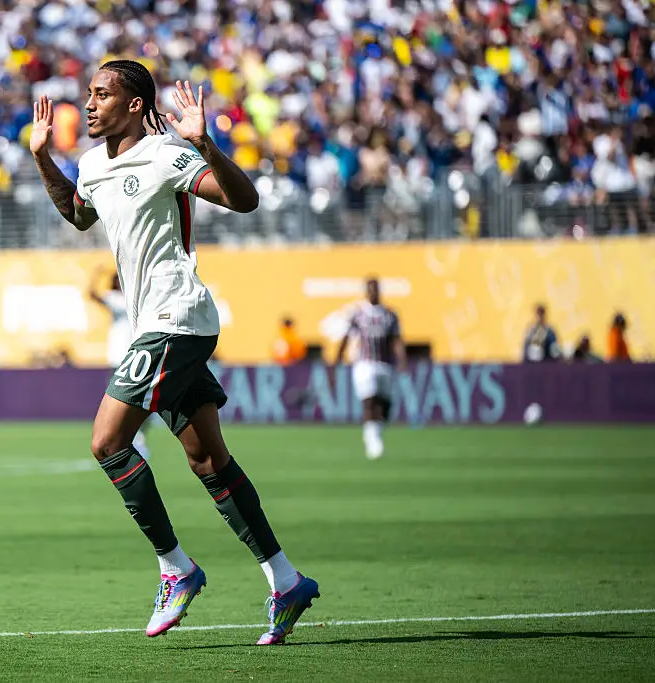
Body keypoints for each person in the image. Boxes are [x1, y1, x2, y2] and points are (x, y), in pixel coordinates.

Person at [30, 61, 318, 646]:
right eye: (88, 94)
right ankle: (285, 581)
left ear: (135, 105)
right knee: (208, 460)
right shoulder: (91, 164)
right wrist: (41, 159)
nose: (88, 104)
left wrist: (205, 143)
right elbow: (79, 214)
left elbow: (246, 201)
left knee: (108, 442)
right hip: (153, 325)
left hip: (177, 318)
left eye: (102, 94)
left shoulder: (166, 154)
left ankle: (176, 569)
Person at [334, 278, 407, 460]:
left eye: (376, 289)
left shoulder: (390, 315)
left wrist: (402, 359)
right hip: (364, 364)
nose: (374, 293)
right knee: (370, 400)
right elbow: (346, 337)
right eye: (371, 290)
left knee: (385, 405)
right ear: (366, 292)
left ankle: (376, 433)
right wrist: (337, 360)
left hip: (385, 364)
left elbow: (396, 340)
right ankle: (372, 440)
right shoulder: (358, 314)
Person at [88, 266, 151, 458]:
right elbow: (91, 294)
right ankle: (124, 439)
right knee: (118, 402)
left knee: (142, 402)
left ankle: (138, 438)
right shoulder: (113, 298)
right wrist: (95, 274)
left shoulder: (136, 297)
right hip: (118, 357)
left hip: (137, 356)